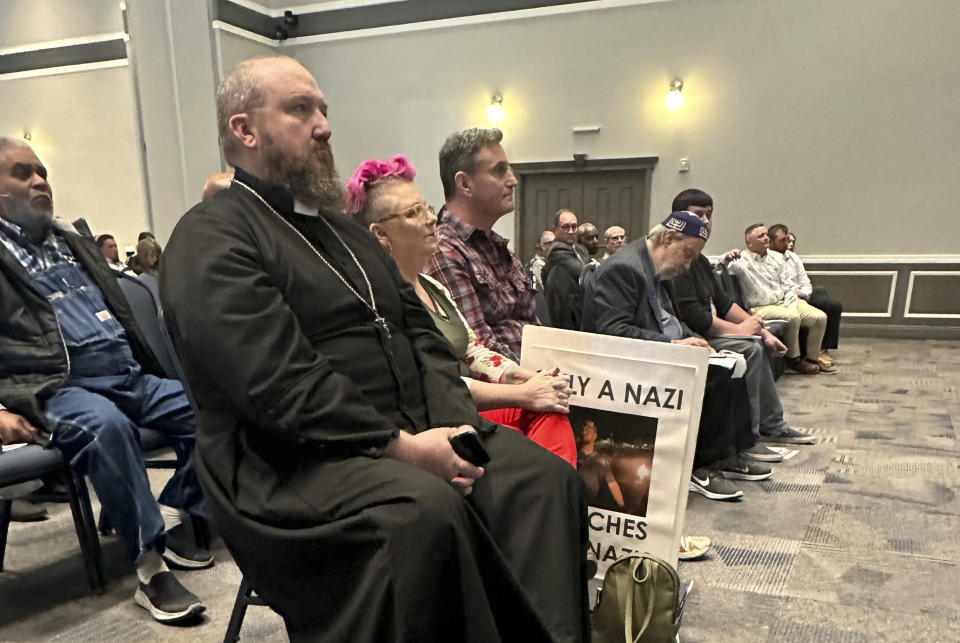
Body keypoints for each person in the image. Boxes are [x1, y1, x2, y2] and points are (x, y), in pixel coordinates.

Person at [160, 56, 588, 642]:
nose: (324, 125)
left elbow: (426, 339)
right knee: (424, 516)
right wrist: (403, 449)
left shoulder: (346, 232)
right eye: (300, 109)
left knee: (542, 482)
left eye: (325, 110)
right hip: (288, 463)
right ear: (245, 130)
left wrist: (452, 430)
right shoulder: (209, 238)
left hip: (410, 431)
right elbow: (276, 381)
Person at [0, 135, 208, 623]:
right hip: (56, 388)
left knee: (216, 407)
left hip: (127, 374)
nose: (39, 181)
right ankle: (150, 566)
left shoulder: (69, 240)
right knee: (106, 427)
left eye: (42, 171)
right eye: (22, 173)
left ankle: (179, 502)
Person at [346, 154, 577, 467]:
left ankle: (559, 494)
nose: (430, 218)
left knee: (552, 408)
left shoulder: (432, 287)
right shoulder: (379, 301)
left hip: (470, 405)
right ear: (380, 234)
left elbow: (475, 353)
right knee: (540, 422)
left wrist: (529, 376)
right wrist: (523, 394)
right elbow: (440, 381)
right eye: (414, 212)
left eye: (427, 207)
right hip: (440, 421)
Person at [583, 211, 756, 501]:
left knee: (733, 365)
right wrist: (675, 344)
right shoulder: (624, 268)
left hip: (662, 350)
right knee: (718, 379)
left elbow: (672, 319)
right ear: (668, 238)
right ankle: (698, 467)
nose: (687, 265)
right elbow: (613, 332)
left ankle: (728, 454)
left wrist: (698, 341)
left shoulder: (659, 269)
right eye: (687, 254)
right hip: (630, 365)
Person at [669, 190, 815, 449]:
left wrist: (760, 329)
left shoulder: (700, 260)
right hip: (691, 337)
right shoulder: (677, 260)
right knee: (750, 349)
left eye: (709, 215)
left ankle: (772, 424)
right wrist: (744, 332)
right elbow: (697, 319)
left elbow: (725, 304)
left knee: (759, 342)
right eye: (698, 214)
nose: (705, 220)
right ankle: (750, 436)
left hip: (708, 329)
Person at [426, 127, 535, 362]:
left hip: (537, 382)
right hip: (509, 392)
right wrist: (544, 376)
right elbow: (480, 354)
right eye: (499, 171)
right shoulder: (443, 250)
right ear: (465, 183)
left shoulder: (498, 247)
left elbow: (535, 330)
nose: (513, 180)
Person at [722, 225, 835, 375]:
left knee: (819, 317)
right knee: (792, 317)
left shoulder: (778, 257)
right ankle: (793, 359)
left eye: (766, 234)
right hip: (761, 307)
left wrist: (791, 304)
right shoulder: (740, 260)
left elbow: (788, 285)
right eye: (760, 236)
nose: (766, 238)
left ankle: (813, 359)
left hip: (785, 301)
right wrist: (727, 256)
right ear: (749, 243)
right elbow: (722, 266)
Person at [769, 224, 843, 366]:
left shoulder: (793, 258)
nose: (788, 245)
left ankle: (816, 355)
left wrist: (802, 294)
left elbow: (806, 283)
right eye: (784, 241)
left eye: (791, 242)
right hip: (783, 298)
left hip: (801, 295)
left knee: (828, 304)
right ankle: (795, 360)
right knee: (795, 316)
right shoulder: (767, 258)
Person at [543, 209, 593, 330]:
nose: (571, 231)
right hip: (567, 319)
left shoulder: (580, 250)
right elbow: (583, 271)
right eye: (565, 227)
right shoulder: (557, 253)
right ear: (555, 230)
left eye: (574, 227)